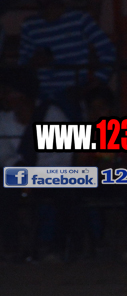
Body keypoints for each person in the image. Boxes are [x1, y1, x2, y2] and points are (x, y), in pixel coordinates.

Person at [18, 0, 116, 119]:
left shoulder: (79, 19)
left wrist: (94, 82)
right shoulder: (30, 25)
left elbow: (108, 50)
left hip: (72, 93)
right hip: (42, 95)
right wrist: (34, 62)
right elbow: (22, 65)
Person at [0, 69, 75, 262]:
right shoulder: (4, 120)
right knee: (4, 187)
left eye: (8, 92)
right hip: (20, 175)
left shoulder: (52, 115)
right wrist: (18, 166)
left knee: (69, 190)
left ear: (23, 95)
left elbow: (63, 156)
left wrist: (36, 173)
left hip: (52, 173)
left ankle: (58, 247)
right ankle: (11, 245)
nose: (4, 97)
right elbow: (3, 153)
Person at [76, 85, 127, 261]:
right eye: (92, 109)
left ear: (111, 110)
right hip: (99, 183)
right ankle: (93, 243)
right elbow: (80, 166)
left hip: (124, 182)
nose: (97, 114)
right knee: (74, 190)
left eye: (102, 109)